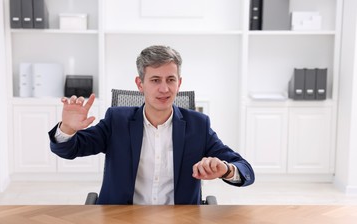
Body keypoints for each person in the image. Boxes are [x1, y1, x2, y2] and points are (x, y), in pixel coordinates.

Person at [48, 45, 255, 205]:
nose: (164, 88)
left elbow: (245, 171)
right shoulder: (116, 120)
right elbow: (70, 149)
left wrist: (225, 169)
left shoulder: (198, 125)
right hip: (121, 223)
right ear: (140, 84)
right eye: (155, 80)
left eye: (170, 79)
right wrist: (68, 129)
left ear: (179, 83)